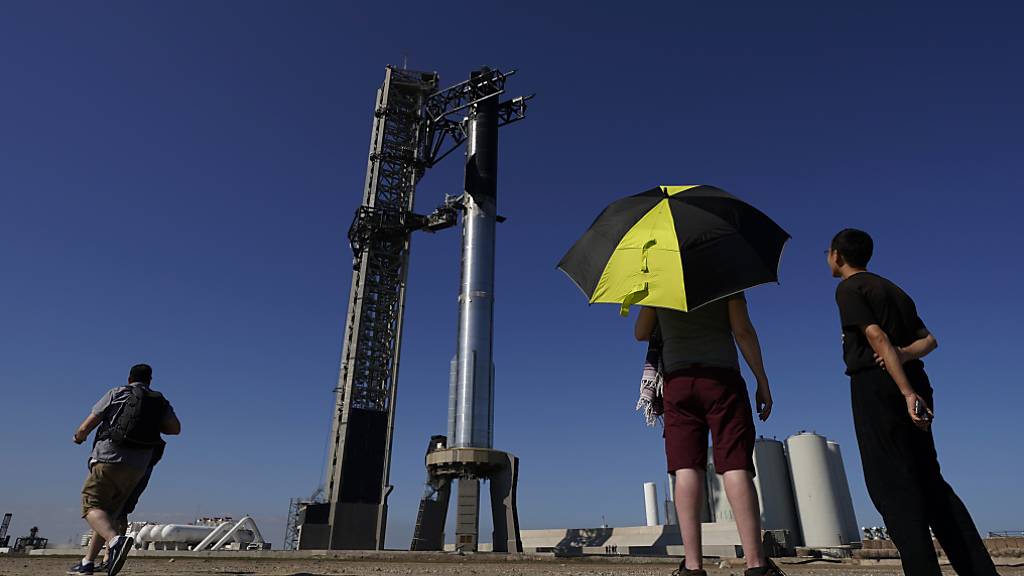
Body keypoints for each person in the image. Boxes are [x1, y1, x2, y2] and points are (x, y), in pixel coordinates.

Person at [827, 228, 998, 576]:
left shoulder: (849, 288)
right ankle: (979, 570)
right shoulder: (894, 289)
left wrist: (904, 390)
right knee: (929, 481)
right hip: (915, 379)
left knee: (892, 486)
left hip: (880, 386)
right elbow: (931, 341)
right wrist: (904, 360)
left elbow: (875, 336)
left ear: (837, 256)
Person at [635, 294, 784, 576]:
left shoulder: (659, 281)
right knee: (736, 466)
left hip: (679, 383)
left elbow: (640, 333)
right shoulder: (725, 275)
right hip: (723, 380)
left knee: (686, 469)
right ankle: (756, 565)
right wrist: (762, 380)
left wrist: (652, 299)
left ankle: (692, 566)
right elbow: (742, 330)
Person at [69, 364, 180, 576]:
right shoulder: (159, 401)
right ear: (150, 380)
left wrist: (79, 437)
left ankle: (115, 541)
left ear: (130, 377)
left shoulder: (117, 392)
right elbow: (175, 429)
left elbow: (88, 425)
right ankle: (87, 563)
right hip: (139, 465)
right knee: (109, 514)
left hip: (109, 457)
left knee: (90, 505)